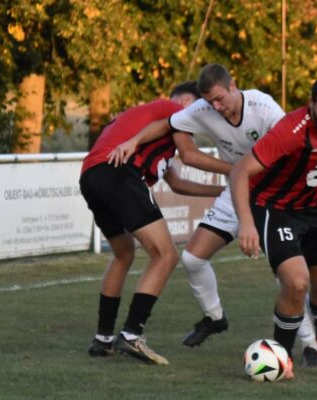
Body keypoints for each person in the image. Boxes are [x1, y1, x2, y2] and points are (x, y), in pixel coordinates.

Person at [108, 64, 317, 366]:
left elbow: (292, 145)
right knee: (192, 258)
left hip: (273, 196)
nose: (217, 107)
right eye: (211, 103)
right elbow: (166, 124)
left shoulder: (263, 106)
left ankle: (310, 344)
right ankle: (215, 317)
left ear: (234, 86)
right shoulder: (203, 109)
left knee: (286, 273)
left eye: (221, 99)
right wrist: (133, 141)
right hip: (236, 191)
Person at [80, 81, 224, 365]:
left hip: (92, 176)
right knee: (166, 254)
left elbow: (179, 184)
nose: (205, 117)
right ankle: (132, 334)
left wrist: (224, 192)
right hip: (119, 172)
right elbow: (191, 156)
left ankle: (103, 339)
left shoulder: (155, 132)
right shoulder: (172, 110)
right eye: (203, 108)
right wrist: (241, 170)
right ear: (185, 103)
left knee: (123, 254)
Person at [231, 75, 317, 380]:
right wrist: (247, 224)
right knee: (296, 282)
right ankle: (281, 358)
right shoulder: (290, 132)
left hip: (314, 206)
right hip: (275, 208)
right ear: (311, 103)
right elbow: (240, 171)